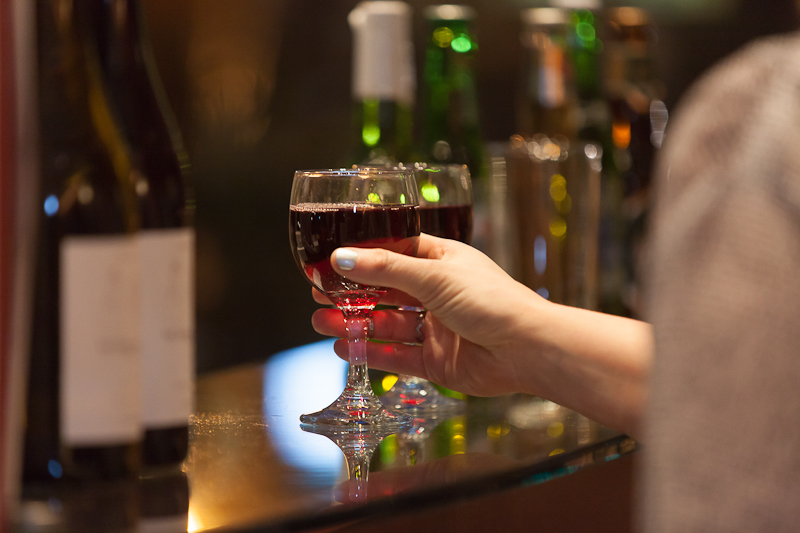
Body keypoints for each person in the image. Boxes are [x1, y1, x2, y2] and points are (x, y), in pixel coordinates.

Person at [311, 33, 800, 532]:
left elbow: (737, 439)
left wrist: (522, 337)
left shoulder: (764, 116)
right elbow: (730, 393)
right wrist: (521, 340)